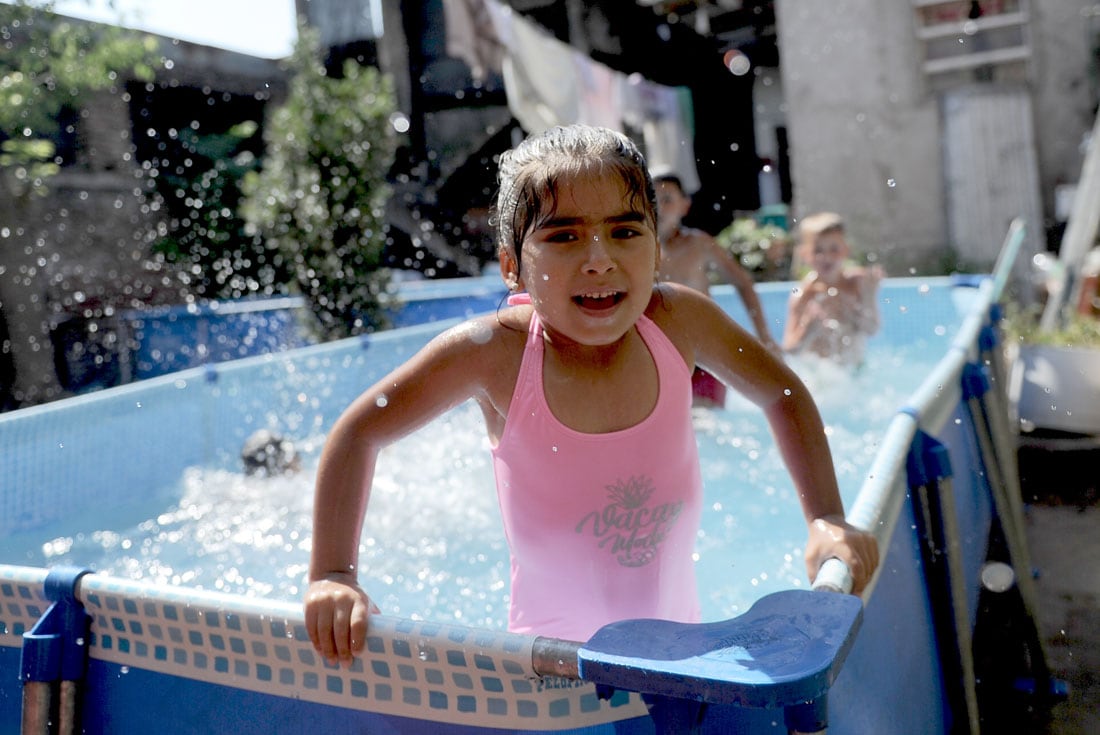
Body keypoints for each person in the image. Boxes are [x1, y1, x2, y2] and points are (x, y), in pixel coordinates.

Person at [304, 125, 879, 666]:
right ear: (513, 266)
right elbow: (360, 431)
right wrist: (333, 573)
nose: (599, 258)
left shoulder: (679, 320)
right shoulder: (493, 354)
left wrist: (825, 516)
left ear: (657, 251)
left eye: (625, 232)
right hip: (549, 669)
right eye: (564, 236)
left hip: (681, 646)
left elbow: (781, 391)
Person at [653, 172, 780, 407]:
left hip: (704, 355)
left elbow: (742, 282)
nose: (659, 207)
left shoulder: (699, 245)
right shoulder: (639, 250)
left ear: (685, 205)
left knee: (706, 422)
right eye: (652, 199)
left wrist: (764, 335)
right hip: (660, 359)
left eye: (668, 199)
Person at [782, 212, 884, 366]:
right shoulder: (804, 295)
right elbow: (789, 350)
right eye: (818, 251)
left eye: (834, 249)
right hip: (821, 375)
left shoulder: (856, 284)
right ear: (804, 254)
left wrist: (869, 295)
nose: (826, 257)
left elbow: (872, 329)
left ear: (846, 250)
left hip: (854, 369)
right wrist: (807, 329)